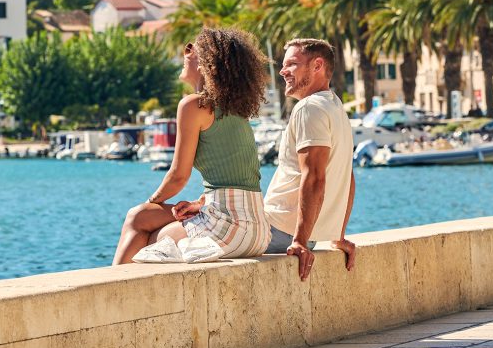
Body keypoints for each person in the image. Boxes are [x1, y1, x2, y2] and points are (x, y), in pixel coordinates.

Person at [112, 28, 271, 264]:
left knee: (142, 225)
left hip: (229, 229)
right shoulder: (236, 111)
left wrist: (150, 203)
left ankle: (115, 282)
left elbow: (178, 176)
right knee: (145, 222)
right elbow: (238, 177)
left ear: (208, 62)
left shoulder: (194, 105)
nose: (185, 54)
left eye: (190, 48)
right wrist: (201, 203)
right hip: (257, 232)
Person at [263, 38, 356, 281]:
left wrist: (300, 242)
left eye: (292, 64)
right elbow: (347, 177)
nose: (283, 71)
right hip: (295, 232)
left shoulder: (309, 108)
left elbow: (314, 177)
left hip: (278, 231)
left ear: (317, 66)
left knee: (175, 232)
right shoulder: (335, 107)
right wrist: (338, 235)